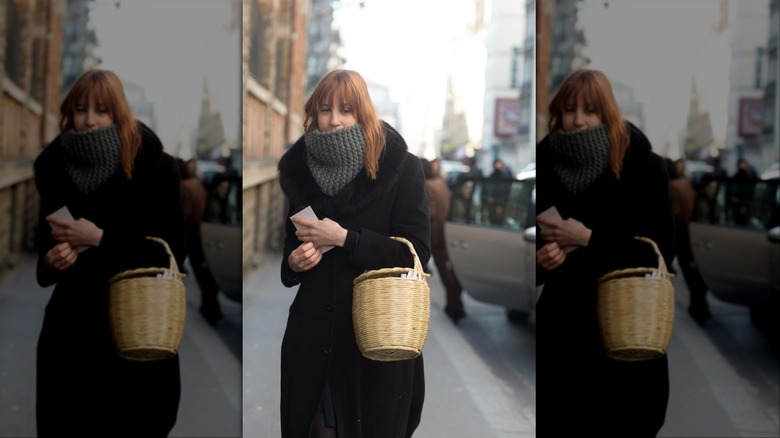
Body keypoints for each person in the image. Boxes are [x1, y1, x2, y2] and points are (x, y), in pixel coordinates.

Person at [276, 69, 431, 437]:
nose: (333, 120)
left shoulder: (402, 168)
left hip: (376, 342)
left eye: (346, 109)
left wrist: (348, 239)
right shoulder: (300, 171)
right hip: (313, 338)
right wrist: (294, 263)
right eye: (325, 109)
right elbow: (288, 249)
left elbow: (416, 254)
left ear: (363, 114)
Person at [32, 69, 186, 436]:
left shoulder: (157, 168)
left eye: (101, 110)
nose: (89, 120)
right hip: (70, 335)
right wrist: (50, 262)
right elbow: (43, 247)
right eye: (81, 109)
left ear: (118, 113)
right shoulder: (53, 168)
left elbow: (174, 252)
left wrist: (101, 238)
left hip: (134, 330)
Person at [535, 69, 674, 436]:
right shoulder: (544, 164)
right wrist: (541, 260)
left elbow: (662, 253)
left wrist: (588, 239)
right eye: (569, 110)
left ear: (606, 113)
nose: (578, 120)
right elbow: (531, 245)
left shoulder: (643, 166)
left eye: (590, 110)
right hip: (564, 337)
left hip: (625, 329)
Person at [177, 157, 223, 324]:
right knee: (206, 271)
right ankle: (212, 306)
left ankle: (210, 308)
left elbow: (186, 214)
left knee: (201, 272)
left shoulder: (183, 187)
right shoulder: (196, 182)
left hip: (193, 233)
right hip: (203, 229)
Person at [666, 158, 712, 325]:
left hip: (681, 233)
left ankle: (699, 307)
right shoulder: (684, 182)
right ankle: (701, 305)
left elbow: (675, 212)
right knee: (695, 270)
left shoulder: (671, 186)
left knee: (690, 271)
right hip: (692, 229)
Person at [421, 157, 466, 323]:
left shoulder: (426, 186)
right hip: (447, 231)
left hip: (436, 235)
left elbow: (430, 213)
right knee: (448, 270)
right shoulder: (440, 183)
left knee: (444, 272)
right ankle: (454, 302)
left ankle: (456, 305)